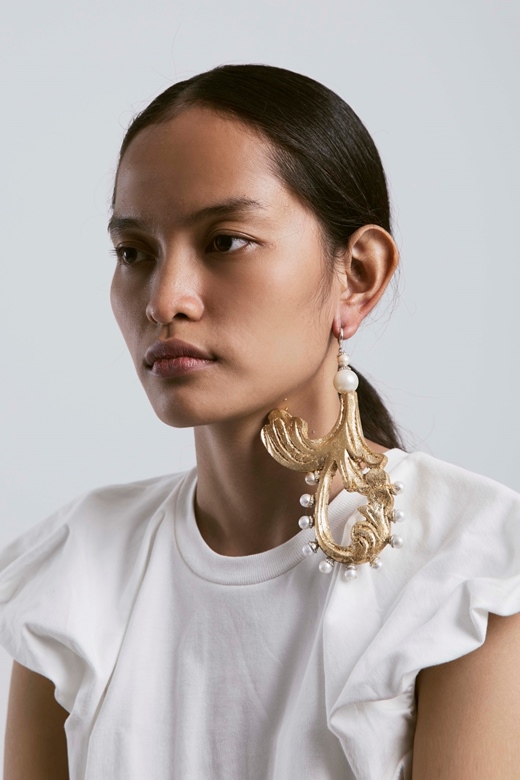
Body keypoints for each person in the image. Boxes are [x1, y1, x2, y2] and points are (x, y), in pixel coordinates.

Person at [1, 63, 520, 780]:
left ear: (358, 274)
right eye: (133, 253)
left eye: (225, 241)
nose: (164, 300)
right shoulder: (75, 571)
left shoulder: (472, 568)